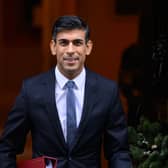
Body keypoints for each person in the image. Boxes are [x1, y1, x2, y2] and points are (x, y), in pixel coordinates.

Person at [0, 15, 132, 168]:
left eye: (77, 43)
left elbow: (118, 151)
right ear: (53, 47)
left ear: (88, 47)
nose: (70, 50)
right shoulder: (31, 90)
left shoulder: (107, 91)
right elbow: (7, 147)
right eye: (63, 43)